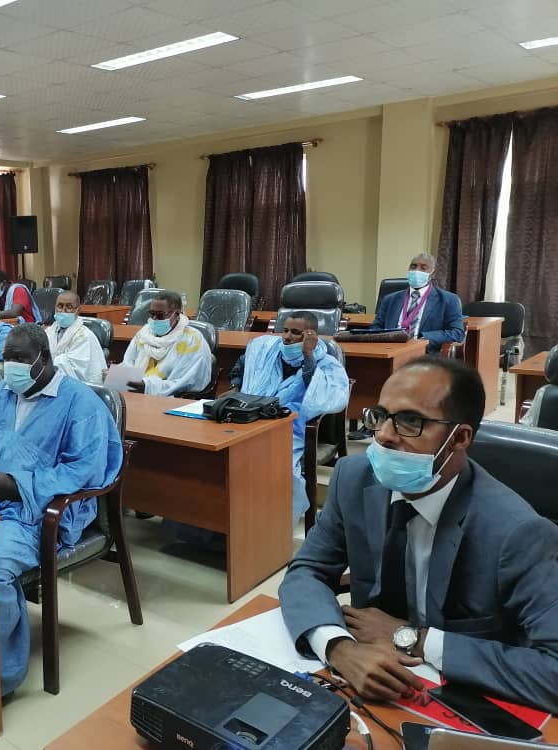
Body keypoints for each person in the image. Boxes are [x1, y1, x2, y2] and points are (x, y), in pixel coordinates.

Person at [279, 357, 558, 713]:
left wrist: (416, 639)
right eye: (380, 416)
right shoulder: (353, 479)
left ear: (460, 438)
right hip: (369, 682)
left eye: (411, 421)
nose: (383, 435)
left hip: (463, 699)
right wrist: (339, 648)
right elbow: (306, 570)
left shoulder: (518, 533)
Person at [0, 324, 122, 695]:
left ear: (44, 358)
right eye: (7, 357)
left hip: (38, 511)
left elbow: (83, 469)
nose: (12, 366)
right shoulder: (0, 394)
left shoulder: (80, 404)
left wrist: (14, 485)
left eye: (21, 358)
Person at [229, 312, 350, 519]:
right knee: (227, 454)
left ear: (311, 335)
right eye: (285, 330)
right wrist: (235, 387)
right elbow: (243, 365)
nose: (287, 337)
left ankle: (270, 520)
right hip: (252, 418)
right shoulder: (266, 349)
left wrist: (307, 355)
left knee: (270, 462)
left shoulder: (326, 363)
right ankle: (236, 513)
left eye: (295, 332)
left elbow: (323, 396)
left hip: (291, 428)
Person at [121, 291, 213, 396]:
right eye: (151, 314)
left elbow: (184, 382)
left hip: (172, 399)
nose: (154, 319)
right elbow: (128, 364)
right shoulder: (144, 335)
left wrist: (147, 386)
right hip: (135, 393)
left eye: (160, 315)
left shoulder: (192, 340)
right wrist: (120, 376)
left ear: (177, 314)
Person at [371, 253, 464, 355]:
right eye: (413, 266)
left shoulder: (449, 300)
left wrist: (424, 339)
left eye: (423, 268)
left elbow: (457, 333)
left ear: (433, 274)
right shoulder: (390, 299)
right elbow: (376, 328)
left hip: (424, 355)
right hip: (389, 351)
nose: (416, 271)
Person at [45, 291, 105, 386]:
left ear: (78, 310)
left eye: (69, 307)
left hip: (79, 385)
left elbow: (76, 367)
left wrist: (47, 364)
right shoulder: (49, 331)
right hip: (52, 382)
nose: (63, 310)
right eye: (60, 306)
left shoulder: (84, 336)